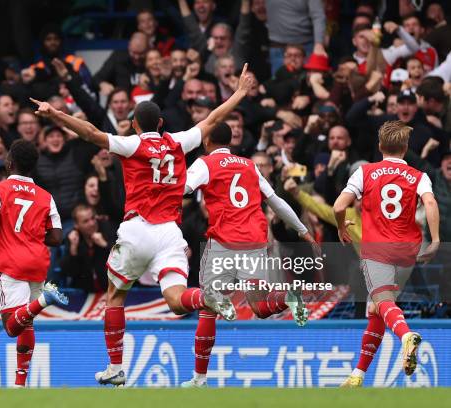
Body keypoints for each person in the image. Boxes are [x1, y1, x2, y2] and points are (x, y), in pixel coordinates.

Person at [30, 62, 255, 387]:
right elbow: (214, 119)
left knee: (115, 295)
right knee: (178, 300)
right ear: (161, 123)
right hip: (170, 233)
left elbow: (91, 133)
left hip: (137, 229)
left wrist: (54, 114)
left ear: (135, 124)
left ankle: (116, 367)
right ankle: (207, 298)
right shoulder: (179, 141)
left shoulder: (132, 144)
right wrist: (240, 93)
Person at [181, 122, 318, 387]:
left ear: (206, 141)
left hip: (222, 243)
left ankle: (199, 378)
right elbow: (275, 201)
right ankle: (289, 296)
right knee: (261, 307)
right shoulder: (248, 165)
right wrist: (302, 230)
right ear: (230, 140)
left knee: (208, 309)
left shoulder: (204, 164)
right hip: (254, 243)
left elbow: (183, 189)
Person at [333, 120, 440, 387]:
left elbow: (338, 206)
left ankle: (405, 335)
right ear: (405, 148)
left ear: (380, 146)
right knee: (376, 307)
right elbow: (430, 202)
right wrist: (436, 239)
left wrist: (340, 226)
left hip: (377, 250)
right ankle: (358, 375)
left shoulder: (365, 172)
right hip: (407, 251)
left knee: (382, 303)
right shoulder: (419, 175)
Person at [0, 139, 68, 387]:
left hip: (11, 264)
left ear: (9, 163)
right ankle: (20, 384)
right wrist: (30, 234)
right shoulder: (46, 196)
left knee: (12, 326)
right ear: (34, 168)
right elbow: (57, 236)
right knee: (26, 322)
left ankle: (44, 300)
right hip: (38, 263)